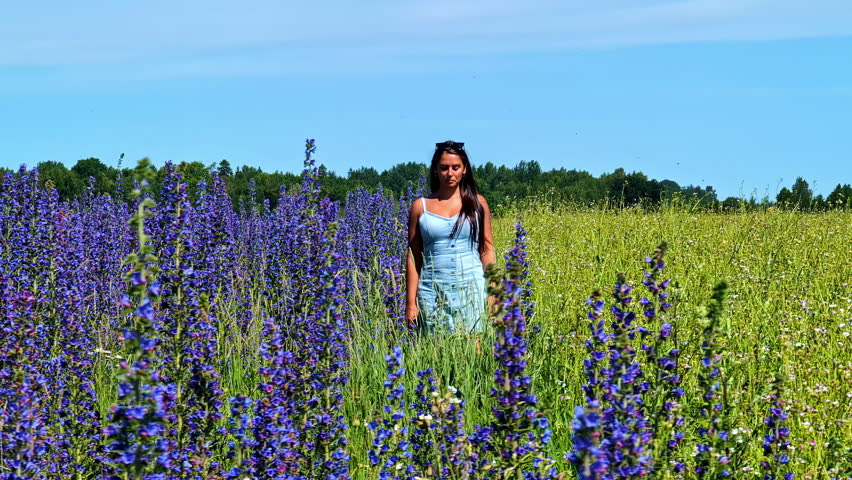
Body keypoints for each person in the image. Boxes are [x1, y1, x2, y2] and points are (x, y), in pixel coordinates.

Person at [405, 140, 495, 333]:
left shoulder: (478, 203)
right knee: (436, 353)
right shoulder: (420, 207)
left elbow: (487, 250)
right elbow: (413, 258)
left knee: (474, 351)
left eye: (456, 167)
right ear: (435, 170)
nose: (450, 173)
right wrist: (411, 303)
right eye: (444, 168)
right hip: (432, 291)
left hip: (472, 288)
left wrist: (493, 291)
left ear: (465, 170)